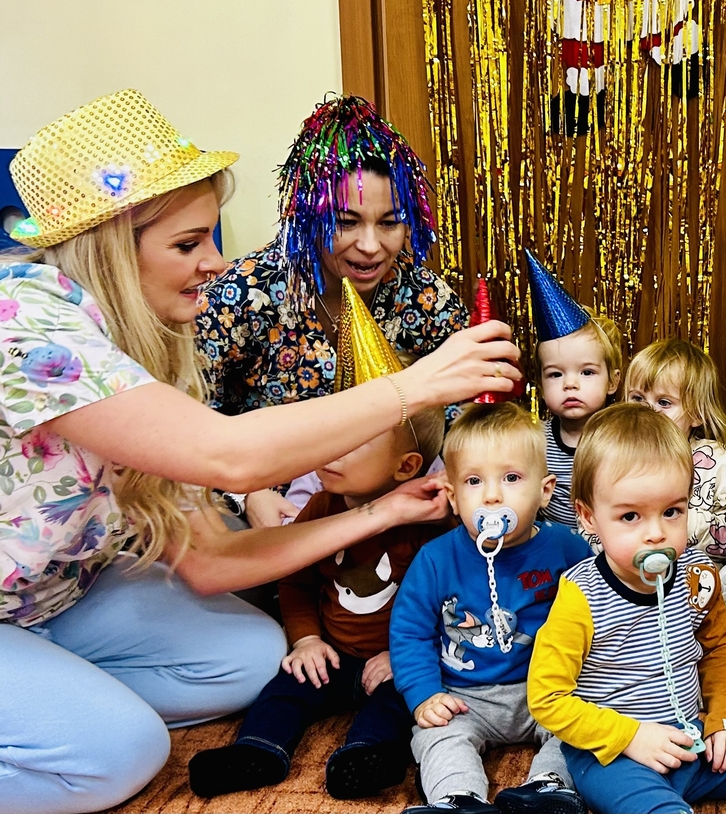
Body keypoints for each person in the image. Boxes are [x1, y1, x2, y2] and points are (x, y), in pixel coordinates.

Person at [0, 90, 520, 814]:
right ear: (112, 248)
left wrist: (381, 513)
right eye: (188, 245)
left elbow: (210, 561)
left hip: (52, 597)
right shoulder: (26, 323)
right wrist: (415, 385)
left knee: (250, 661)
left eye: (209, 238)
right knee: (123, 753)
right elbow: (229, 458)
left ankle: (48, 692)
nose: (215, 262)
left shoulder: (145, 336)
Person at [188, 316, 450, 802]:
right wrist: (306, 639)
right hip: (332, 653)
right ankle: (258, 750)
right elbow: (296, 582)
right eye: (332, 433)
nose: (331, 449)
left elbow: (451, 601)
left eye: (353, 441)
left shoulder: (430, 523)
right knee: (285, 688)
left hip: (397, 660)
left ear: (407, 466)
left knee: (402, 702)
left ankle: (366, 756)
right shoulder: (320, 506)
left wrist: (408, 656)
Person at [527, 404, 726, 814]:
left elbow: (719, 650)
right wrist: (630, 736)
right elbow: (547, 697)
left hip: (693, 741)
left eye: (672, 512)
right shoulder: (580, 595)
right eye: (630, 516)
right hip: (613, 759)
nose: (656, 533)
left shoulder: (698, 575)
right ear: (588, 517)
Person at [195, 96, 469, 527]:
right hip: (268, 518)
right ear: (308, 217)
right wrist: (247, 495)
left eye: (389, 222)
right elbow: (187, 426)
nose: (370, 246)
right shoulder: (244, 294)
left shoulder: (426, 299)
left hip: (398, 518)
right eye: (346, 222)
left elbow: (466, 423)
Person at [389, 402, 593, 814]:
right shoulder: (435, 559)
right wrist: (425, 695)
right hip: (465, 697)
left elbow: (598, 612)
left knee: (585, 727)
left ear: (545, 491)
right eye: (474, 480)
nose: (493, 495)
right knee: (436, 735)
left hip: (550, 689)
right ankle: (458, 797)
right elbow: (410, 632)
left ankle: (549, 787)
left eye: (512, 478)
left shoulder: (567, 549)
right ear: (452, 497)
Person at [626, 337, 726, 562]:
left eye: (664, 402)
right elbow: (593, 522)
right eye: (637, 398)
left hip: (697, 573)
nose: (647, 411)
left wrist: (684, 522)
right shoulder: (613, 454)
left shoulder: (720, 462)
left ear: (696, 413)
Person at [525, 250, 624, 532]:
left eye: (587, 372)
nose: (570, 384)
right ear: (541, 384)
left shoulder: (622, 437)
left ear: (612, 382)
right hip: (555, 545)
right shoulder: (535, 440)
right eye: (555, 374)